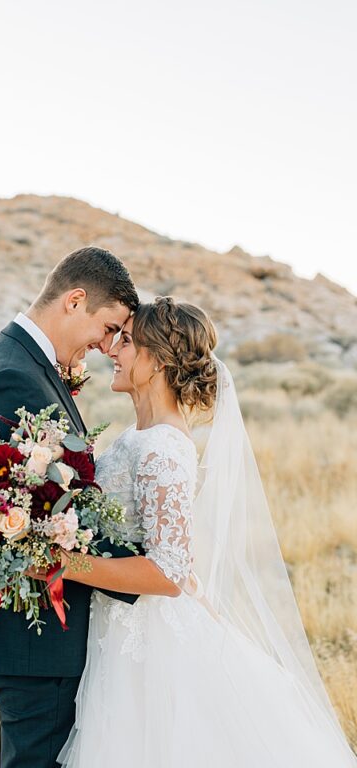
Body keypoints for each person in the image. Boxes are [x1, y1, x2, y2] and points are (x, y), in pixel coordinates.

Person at [56, 297, 357, 766]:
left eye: (127, 341)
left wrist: (63, 565)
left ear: (156, 361)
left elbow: (169, 572)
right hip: (121, 630)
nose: (112, 349)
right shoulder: (139, 435)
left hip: (150, 642)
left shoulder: (163, 448)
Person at [0, 246, 141, 767]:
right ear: (76, 301)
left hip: (38, 633)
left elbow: (55, 498)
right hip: (33, 636)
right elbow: (41, 519)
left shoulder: (25, 364)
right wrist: (149, 570)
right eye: (109, 327)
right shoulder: (14, 377)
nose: (107, 345)